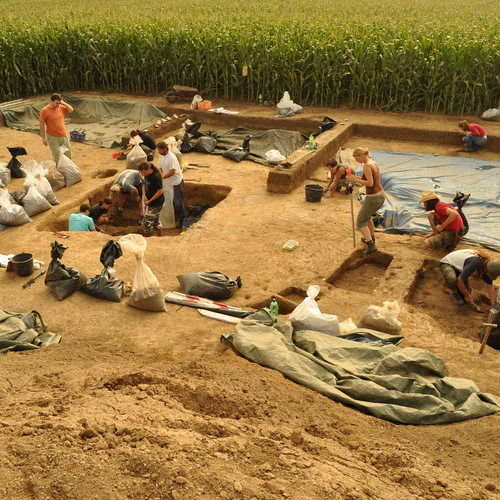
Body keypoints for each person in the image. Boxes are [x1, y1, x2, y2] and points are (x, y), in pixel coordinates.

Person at [347, 147, 385, 255]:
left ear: (361, 156)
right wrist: (358, 178)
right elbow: (372, 180)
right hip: (381, 195)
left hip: (373, 197)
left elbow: (370, 183)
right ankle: (371, 237)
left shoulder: (366, 166)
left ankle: (371, 245)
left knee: (360, 222)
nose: (356, 161)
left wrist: (354, 179)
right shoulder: (373, 162)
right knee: (367, 217)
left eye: (356, 158)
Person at [39, 93, 74, 164]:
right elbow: (41, 125)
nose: (58, 105)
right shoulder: (44, 110)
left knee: (68, 153)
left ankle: (69, 168)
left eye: (59, 103)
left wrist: (63, 102)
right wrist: (43, 138)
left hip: (63, 135)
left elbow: (71, 109)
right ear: (52, 101)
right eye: (56, 103)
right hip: (52, 137)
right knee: (56, 155)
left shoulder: (61, 107)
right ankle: (58, 169)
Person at [157, 141, 185, 228]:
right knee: (169, 201)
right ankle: (175, 217)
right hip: (168, 182)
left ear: (165, 149)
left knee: (177, 201)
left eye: (159, 150)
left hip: (176, 182)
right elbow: (160, 167)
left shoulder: (171, 158)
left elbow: (172, 171)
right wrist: (161, 174)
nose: (158, 151)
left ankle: (181, 219)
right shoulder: (161, 156)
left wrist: (163, 177)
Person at [138, 162, 164, 237]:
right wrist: (144, 194)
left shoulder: (156, 177)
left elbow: (160, 191)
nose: (143, 174)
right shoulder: (146, 175)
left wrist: (150, 200)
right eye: (141, 172)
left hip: (156, 203)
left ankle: (149, 240)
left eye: (143, 172)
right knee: (156, 222)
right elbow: (143, 184)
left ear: (149, 169)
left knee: (146, 224)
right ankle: (160, 238)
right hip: (150, 202)